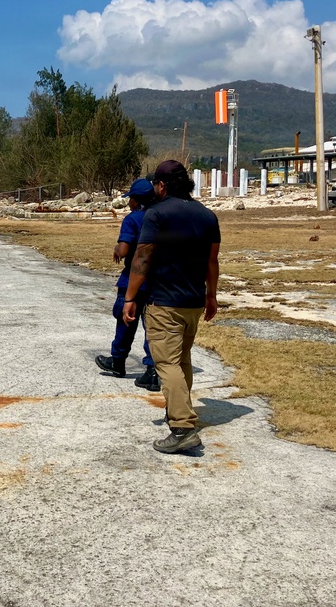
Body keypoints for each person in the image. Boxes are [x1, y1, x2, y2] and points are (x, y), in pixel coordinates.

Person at [122, 160, 220, 454]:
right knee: (182, 361)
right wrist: (211, 295)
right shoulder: (207, 216)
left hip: (165, 302)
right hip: (193, 302)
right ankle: (177, 410)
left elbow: (142, 258)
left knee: (166, 364)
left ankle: (182, 427)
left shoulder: (156, 214)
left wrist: (130, 297)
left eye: (155, 184)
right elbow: (212, 261)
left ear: (162, 185)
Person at [94, 178, 159, 390]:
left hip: (133, 280)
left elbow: (123, 251)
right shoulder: (160, 216)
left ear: (136, 200)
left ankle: (118, 361)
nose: (129, 202)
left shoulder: (133, 219)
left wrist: (116, 248)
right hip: (156, 281)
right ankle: (152, 369)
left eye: (130, 198)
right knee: (152, 327)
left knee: (125, 321)